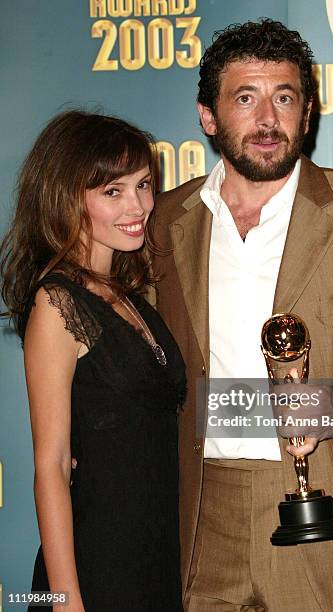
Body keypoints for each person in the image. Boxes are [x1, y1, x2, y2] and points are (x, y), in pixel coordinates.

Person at [151, 19, 333, 612]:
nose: (267, 119)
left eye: (284, 98)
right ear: (208, 117)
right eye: (245, 98)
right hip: (205, 521)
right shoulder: (163, 221)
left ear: (307, 115)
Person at [0, 111, 185, 611]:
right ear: (66, 198)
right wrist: (66, 601)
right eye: (112, 191)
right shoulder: (56, 303)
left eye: (144, 184)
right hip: (98, 565)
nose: (139, 205)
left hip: (157, 557)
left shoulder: (131, 296)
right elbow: (52, 466)